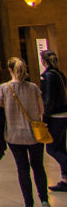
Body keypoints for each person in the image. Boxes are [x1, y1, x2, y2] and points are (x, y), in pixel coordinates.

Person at [0, 56, 49, 207]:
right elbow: (41, 109)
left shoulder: (4, 88)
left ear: (10, 70)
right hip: (35, 134)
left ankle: (28, 203)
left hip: (15, 135)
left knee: (22, 168)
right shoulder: (33, 87)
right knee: (38, 166)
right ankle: (44, 199)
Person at [40, 50, 67, 192]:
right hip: (64, 114)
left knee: (52, 148)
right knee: (61, 147)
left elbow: (48, 100)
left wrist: (45, 118)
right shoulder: (59, 74)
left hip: (55, 116)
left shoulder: (49, 77)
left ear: (43, 61)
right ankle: (65, 180)